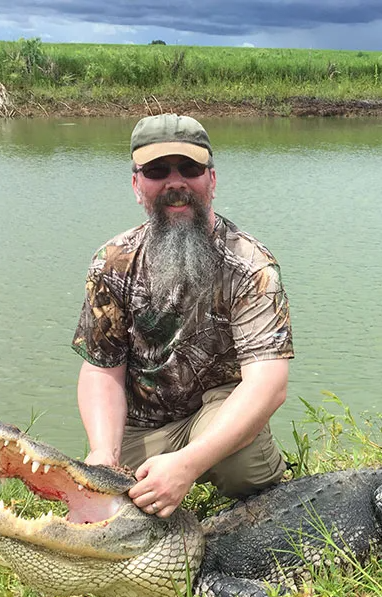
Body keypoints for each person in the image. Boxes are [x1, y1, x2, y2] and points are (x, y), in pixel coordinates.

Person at [72, 113, 294, 518]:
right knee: (98, 487)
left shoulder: (251, 266)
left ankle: (228, 478)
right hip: (144, 423)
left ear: (211, 179)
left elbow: (269, 384)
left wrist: (188, 465)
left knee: (243, 470)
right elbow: (102, 371)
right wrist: (104, 452)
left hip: (216, 412)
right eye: (157, 171)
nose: (176, 184)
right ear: (137, 185)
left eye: (189, 169)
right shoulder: (111, 262)